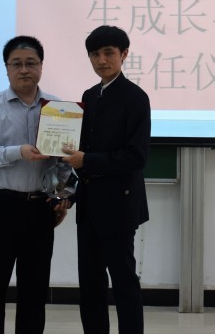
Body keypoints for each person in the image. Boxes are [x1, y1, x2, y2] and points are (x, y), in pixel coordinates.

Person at [0, 35, 70, 334]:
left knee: (35, 290)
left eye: (31, 63)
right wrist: (18, 152)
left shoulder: (59, 109)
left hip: (40, 208)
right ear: (7, 68)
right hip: (0, 205)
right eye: (17, 64)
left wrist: (60, 196)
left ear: (41, 66)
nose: (24, 69)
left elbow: (63, 160)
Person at [62, 25, 150, 334]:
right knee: (90, 284)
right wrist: (68, 192)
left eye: (109, 53)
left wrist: (87, 160)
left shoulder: (135, 98)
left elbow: (136, 156)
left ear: (124, 54)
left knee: (124, 282)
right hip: (88, 206)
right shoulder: (89, 97)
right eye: (95, 54)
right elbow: (80, 151)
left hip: (119, 206)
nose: (102, 60)